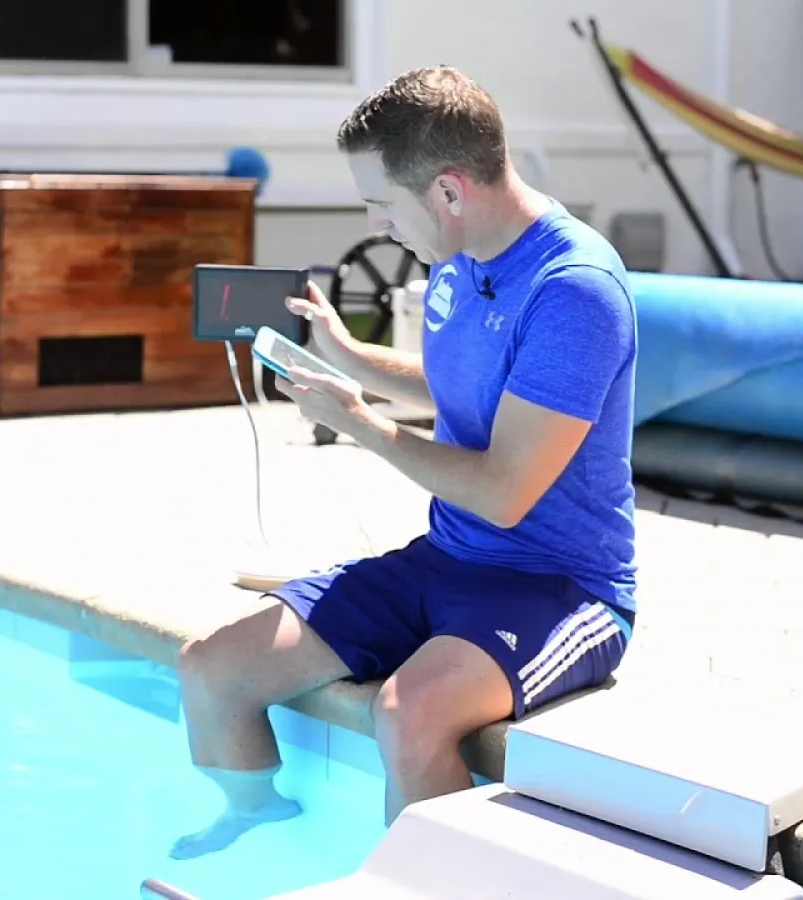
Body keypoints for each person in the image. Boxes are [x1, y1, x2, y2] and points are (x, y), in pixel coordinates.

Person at [170, 65, 639, 861]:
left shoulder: (573, 292)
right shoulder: (461, 254)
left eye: (380, 203)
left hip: (560, 587)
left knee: (407, 714)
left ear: (449, 193)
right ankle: (258, 826)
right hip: (445, 560)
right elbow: (462, 386)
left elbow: (503, 493)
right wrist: (348, 356)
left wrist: (359, 427)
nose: (377, 223)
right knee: (212, 670)